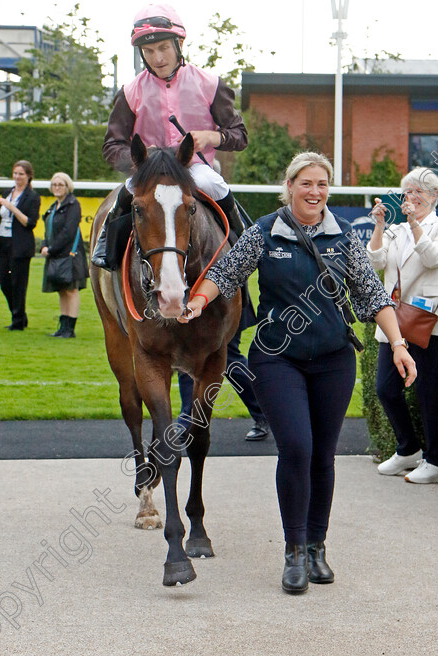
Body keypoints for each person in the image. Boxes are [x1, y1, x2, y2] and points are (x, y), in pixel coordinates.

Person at [178, 151, 417, 594]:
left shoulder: (344, 237)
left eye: (322, 184)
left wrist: (399, 345)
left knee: (323, 454)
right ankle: (293, 550)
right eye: (305, 183)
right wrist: (198, 301)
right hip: (277, 360)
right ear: (289, 187)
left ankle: (316, 548)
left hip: (333, 361)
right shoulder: (264, 232)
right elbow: (225, 273)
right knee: (297, 448)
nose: (314, 191)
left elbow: (373, 295)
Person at [92, 2, 247, 269]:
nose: (158, 57)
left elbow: (240, 136)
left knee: (214, 185)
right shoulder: (130, 92)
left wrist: (211, 137)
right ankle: (106, 250)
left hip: (195, 169)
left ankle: (242, 246)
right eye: (149, 51)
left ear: (179, 45)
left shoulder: (210, 84)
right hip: (148, 174)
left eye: (163, 48)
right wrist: (141, 160)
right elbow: (111, 146)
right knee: (125, 193)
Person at [367, 166, 438, 484]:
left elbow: (435, 258)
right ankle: (408, 449)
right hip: (395, 320)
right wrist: (379, 226)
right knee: (386, 389)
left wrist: (415, 224)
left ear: (434, 197)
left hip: (429, 321)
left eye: (420, 191)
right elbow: (374, 263)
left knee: (427, 391)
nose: (413, 197)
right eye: (408, 191)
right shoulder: (395, 230)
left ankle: (434, 461)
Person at [177, 328, 270, 441]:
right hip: (190, 318)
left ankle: (263, 413)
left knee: (229, 358)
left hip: (225, 315)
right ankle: (187, 420)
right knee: (187, 358)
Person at [0, 160, 40, 330]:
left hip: (20, 245)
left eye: (21, 174)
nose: (17, 177)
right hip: (3, 242)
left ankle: (18, 321)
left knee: (18, 283)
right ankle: (19, 315)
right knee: (4, 281)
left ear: (28, 176)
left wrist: (12, 208)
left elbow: (30, 222)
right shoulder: (7, 192)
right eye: (15, 173)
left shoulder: (32, 197)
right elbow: (1, 215)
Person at [40, 172, 89, 338]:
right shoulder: (53, 206)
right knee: (61, 290)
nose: (57, 187)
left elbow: (69, 231)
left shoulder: (73, 204)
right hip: (56, 254)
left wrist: (51, 249)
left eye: (60, 184)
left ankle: (70, 329)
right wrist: (44, 245)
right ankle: (63, 326)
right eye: (54, 184)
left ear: (68, 187)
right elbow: (48, 230)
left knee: (71, 290)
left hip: (70, 255)